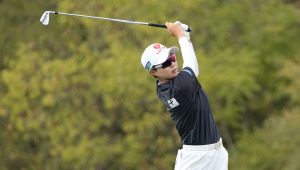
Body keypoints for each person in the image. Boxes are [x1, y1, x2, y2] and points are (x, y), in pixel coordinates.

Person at [140, 21, 228, 170]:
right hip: (196, 160)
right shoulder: (179, 87)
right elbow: (192, 66)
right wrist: (180, 34)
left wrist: (185, 36)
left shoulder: (167, 86)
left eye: (173, 58)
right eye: (166, 63)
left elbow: (192, 67)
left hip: (216, 153)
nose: (173, 64)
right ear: (153, 72)